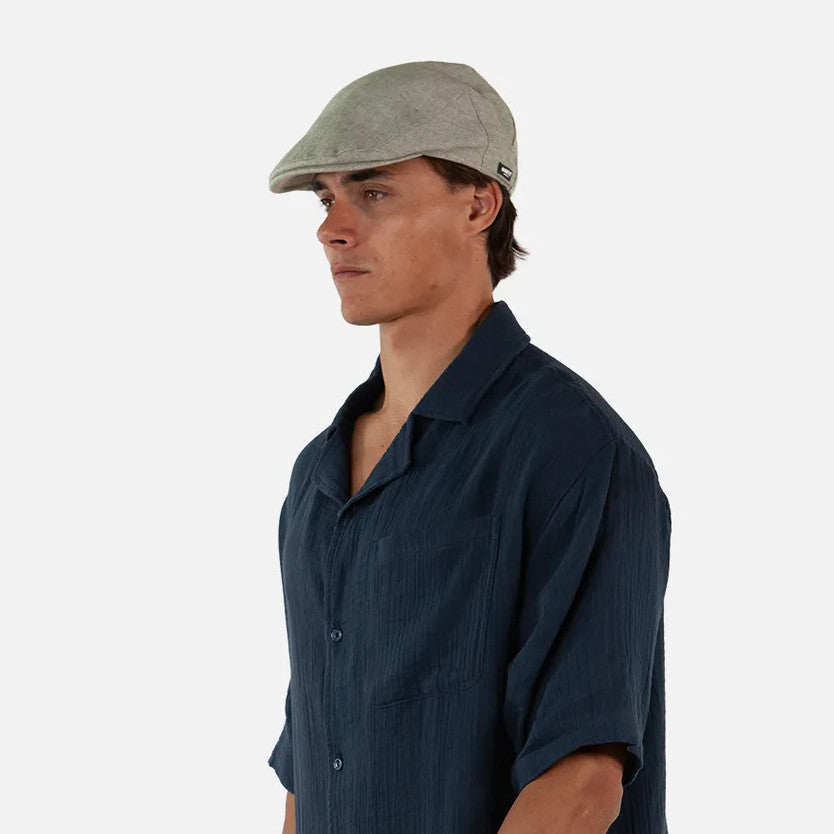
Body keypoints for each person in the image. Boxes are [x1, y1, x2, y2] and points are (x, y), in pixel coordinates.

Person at [265, 60, 672, 834]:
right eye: (325, 198)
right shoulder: (317, 476)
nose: (331, 228)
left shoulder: (572, 451)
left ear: (479, 204)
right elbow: (313, 769)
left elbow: (581, 782)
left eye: (373, 193)